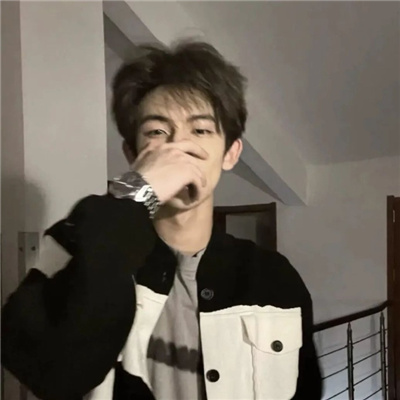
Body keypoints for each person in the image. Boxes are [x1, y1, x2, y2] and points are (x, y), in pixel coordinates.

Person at [2, 40, 322, 400]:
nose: (178, 150)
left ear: (230, 153)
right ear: (132, 154)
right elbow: (52, 373)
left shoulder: (274, 277)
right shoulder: (77, 242)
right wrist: (137, 190)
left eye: (200, 131)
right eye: (157, 132)